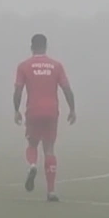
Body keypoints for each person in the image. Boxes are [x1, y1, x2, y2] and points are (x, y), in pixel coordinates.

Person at [14, 34, 77, 202]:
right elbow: (66, 89)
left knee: (32, 143)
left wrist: (16, 110)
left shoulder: (24, 66)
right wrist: (72, 109)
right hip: (51, 111)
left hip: (33, 111)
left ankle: (32, 165)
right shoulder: (56, 66)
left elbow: (18, 90)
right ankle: (51, 191)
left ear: (31, 47)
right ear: (46, 46)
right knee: (49, 148)